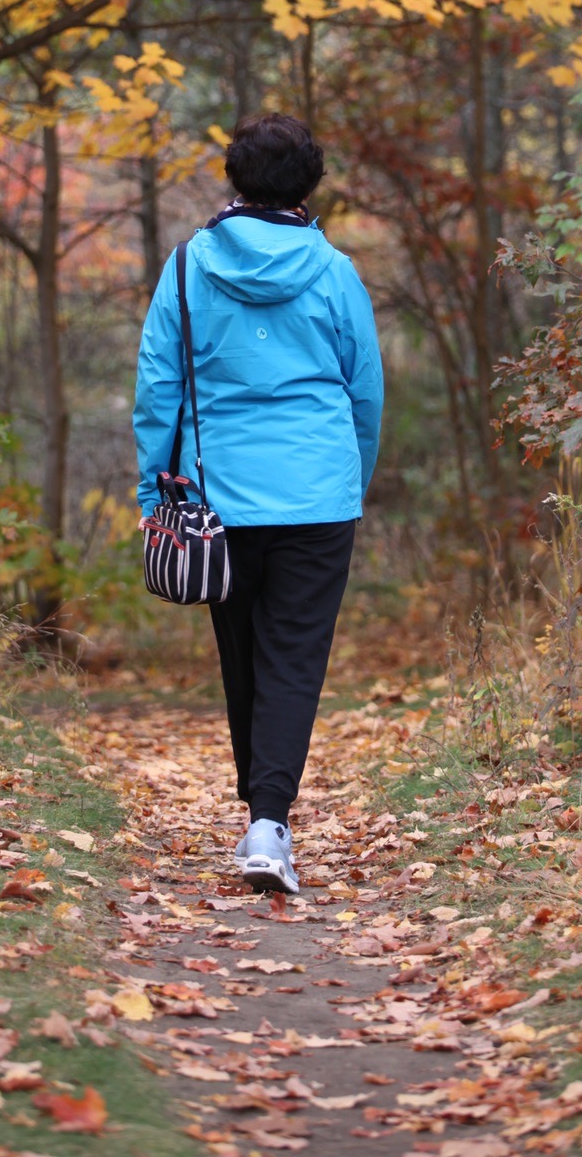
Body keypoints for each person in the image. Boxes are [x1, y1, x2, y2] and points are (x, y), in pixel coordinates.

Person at [133, 112, 383, 894]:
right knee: (294, 660)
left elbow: (157, 393)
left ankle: (263, 817)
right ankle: (268, 823)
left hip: (218, 499)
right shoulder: (334, 270)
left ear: (234, 180)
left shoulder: (186, 268)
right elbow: (365, 391)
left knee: (242, 656)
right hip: (318, 495)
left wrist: (153, 491)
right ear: (308, 185)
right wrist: (351, 479)